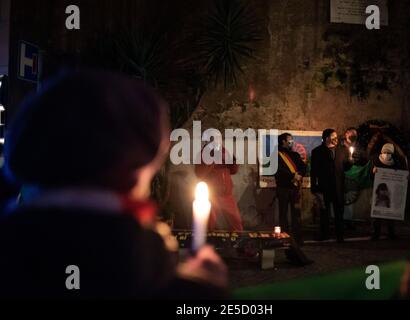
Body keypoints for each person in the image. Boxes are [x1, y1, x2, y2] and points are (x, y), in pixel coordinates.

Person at [0, 69, 227, 299]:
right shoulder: (150, 275)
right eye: (151, 169)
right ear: (132, 174)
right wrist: (203, 288)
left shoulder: (11, 250)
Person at [311, 129, 353, 242]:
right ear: (326, 138)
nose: (336, 139)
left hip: (338, 187)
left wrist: (350, 161)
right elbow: (313, 171)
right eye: (333, 136)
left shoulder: (342, 150)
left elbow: (345, 168)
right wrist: (314, 188)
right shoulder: (317, 152)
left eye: (336, 136)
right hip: (324, 187)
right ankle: (325, 235)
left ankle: (340, 236)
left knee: (339, 212)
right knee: (324, 213)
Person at [194, 137, 243, 231]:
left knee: (236, 222)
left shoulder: (224, 151)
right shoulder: (202, 154)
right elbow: (199, 174)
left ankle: (237, 242)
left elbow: (233, 171)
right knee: (208, 223)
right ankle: (208, 242)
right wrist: (212, 161)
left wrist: (234, 162)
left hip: (227, 194)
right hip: (211, 195)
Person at [274, 133, 307, 241]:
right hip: (283, 188)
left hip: (295, 188)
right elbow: (278, 171)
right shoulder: (276, 155)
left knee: (296, 214)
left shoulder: (295, 155)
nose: (292, 141)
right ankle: (284, 237)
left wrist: (300, 174)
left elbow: (303, 167)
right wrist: (293, 175)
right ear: (283, 141)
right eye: (290, 140)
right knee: (283, 214)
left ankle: (297, 238)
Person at [370, 143, 406, 240]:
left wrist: (405, 177)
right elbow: (370, 176)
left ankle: (391, 233)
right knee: (377, 214)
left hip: (390, 191)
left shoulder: (396, 162)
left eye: (389, 152)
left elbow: (400, 174)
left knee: (391, 212)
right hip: (378, 191)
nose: (386, 154)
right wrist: (372, 172)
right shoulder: (375, 160)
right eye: (385, 152)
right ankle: (376, 233)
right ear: (381, 152)